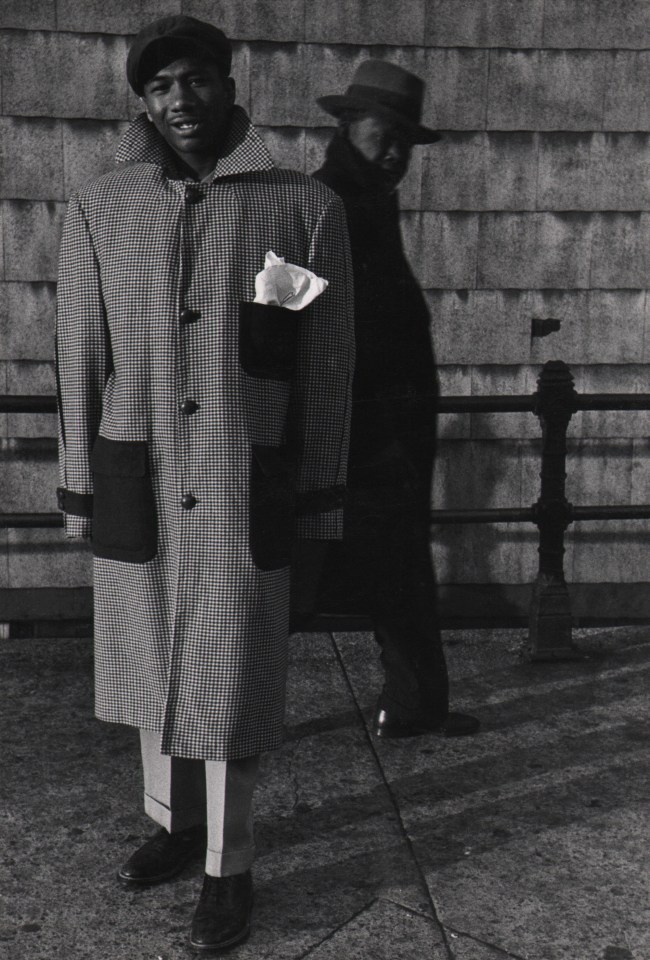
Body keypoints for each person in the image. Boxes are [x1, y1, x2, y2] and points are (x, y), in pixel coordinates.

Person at [55, 15, 354, 953]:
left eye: (195, 79)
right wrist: (80, 482)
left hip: (237, 473)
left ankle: (230, 864)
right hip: (136, 463)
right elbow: (80, 348)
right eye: (160, 87)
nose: (180, 100)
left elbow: (323, 355)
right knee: (150, 661)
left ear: (228, 83)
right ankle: (171, 825)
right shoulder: (103, 206)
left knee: (228, 681)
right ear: (143, 101)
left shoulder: (300, 206)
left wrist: (316, 484)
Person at [308, 60, 479, 740]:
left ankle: (416, 708)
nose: (399, 152)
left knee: (402, 574)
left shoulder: (371, 200)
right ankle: (221, 713)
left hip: (391, 437)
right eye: (389, 133)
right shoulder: (321, 204)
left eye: (409, 140)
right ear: (350, 126)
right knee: (300, 583)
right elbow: (277, 315)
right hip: (352, 436)